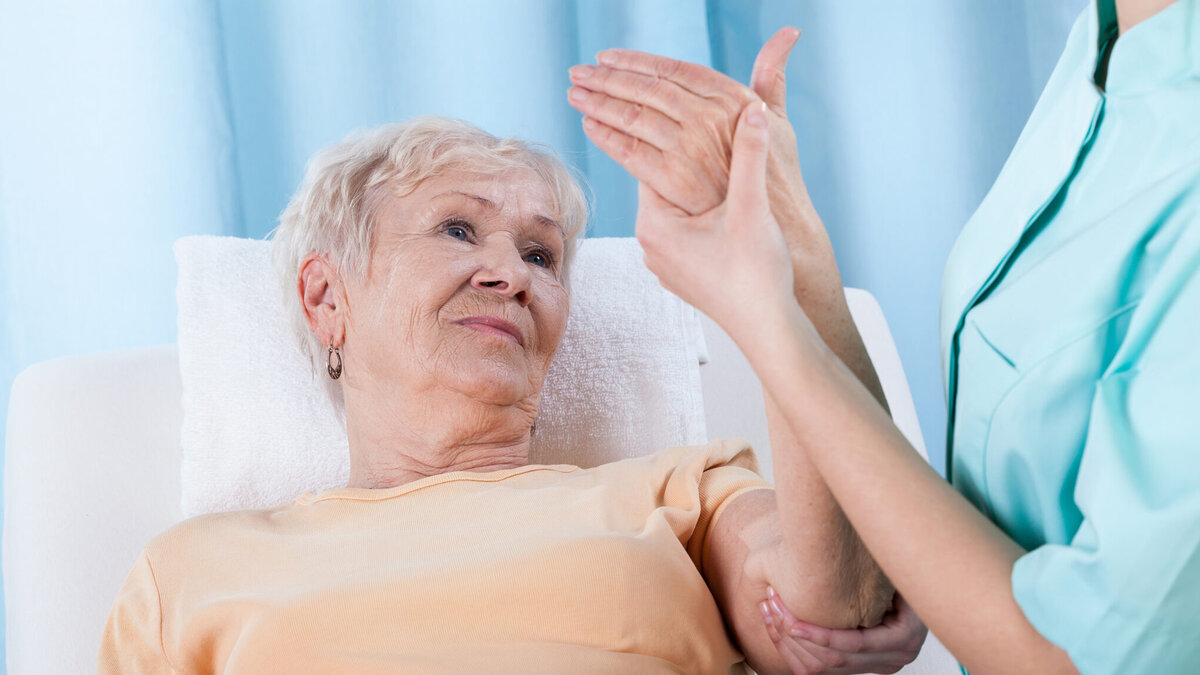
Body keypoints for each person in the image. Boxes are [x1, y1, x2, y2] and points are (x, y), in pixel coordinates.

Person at [97, 116, 915, 674]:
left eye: (540, 254)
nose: (510, 274)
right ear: (327, 298)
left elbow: (834, 603)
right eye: (457, 229)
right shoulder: (191, 570)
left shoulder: (682, 497)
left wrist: (792, 276)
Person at [567, 0, 1200, 672]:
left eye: (539, 253)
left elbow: (1081, 654)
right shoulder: (1111, 44)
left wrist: (765, 318)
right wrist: (792, 244)